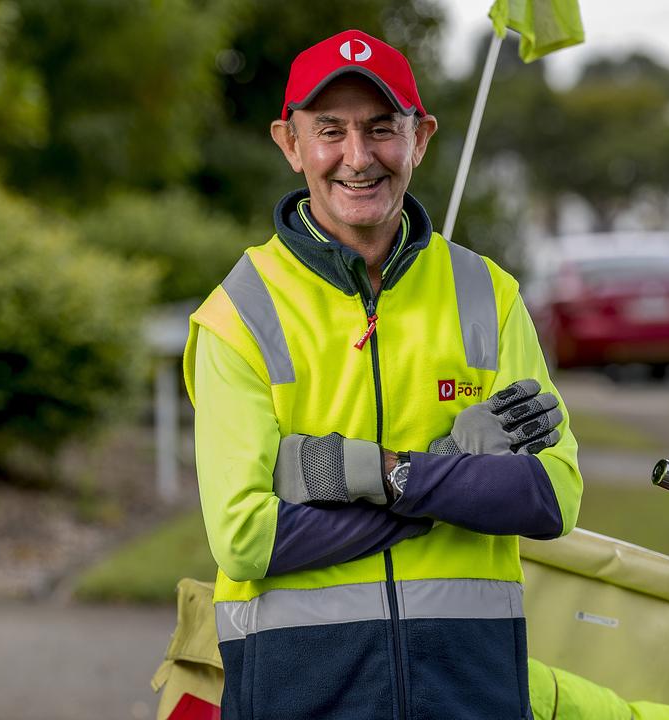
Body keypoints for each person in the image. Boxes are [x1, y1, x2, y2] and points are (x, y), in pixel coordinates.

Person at [181, 29, 582, 720]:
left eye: (381, 129)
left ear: (420, 137)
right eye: (330, 130)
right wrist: (452, 467)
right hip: (299, 688)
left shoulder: (489, 293)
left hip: (471, 686)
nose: (358, 158)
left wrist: (375, 473)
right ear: (290, 142)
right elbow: (248, 539)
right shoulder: (239, 313)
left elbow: (552, 499)